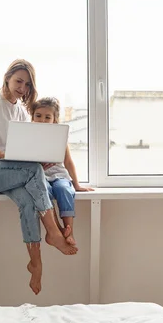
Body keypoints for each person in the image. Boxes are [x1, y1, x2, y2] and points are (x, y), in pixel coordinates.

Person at [0, 60, 77, 296]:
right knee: (33, 172)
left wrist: (41, 158)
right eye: (18, 81)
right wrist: (9, 157)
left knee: (28, 199)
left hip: (6, 170)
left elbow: (24, 150)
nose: (22, 87)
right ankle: (54, 232)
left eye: (27, 84)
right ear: (7, 77)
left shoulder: (19, 111)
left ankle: (35, 263)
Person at [31, 97, 94, 246]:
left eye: (48, 117)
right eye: (38, 116)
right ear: (32, 116)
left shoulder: (59, 137)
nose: (42, 120)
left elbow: (68, 161)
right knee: (44, 190)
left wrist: (76, 184)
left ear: (54, 119)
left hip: (58, 174)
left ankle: (69, 230)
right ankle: (56, 230)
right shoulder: (29, 136)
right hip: (40, 177)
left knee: (64, 189)